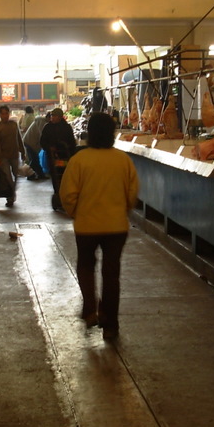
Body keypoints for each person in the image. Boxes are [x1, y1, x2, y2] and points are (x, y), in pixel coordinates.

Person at [59, 112, 139, 340]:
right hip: (116, 226)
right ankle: (111, 324)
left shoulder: (79, 160)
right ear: (112, 134)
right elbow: (132, 193)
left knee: (86, 266)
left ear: (90, 133)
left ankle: (90, 309)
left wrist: (76, 212)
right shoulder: (123, 160)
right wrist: (122, 210)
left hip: (86, 226)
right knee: (111, 274)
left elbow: (67, 194)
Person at [40, 108, 78, 207]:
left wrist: (71, 153)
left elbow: (71, 142)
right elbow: (42, 141)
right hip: (53, 157)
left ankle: (65, 194)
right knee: (55, 175)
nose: (52, 118)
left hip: (65, 156)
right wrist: (49, 148)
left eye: (54, 116)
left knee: (65, 175)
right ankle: (58, 193)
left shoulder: (66, 127)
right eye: (52, 116)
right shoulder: (47, 127)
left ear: (60, 117)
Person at [0, 104, 25, 207]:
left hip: (15, 155)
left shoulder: (14, 125)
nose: (5, 116)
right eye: (3, 114)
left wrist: (23, 152)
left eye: (6, 113)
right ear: (0, 115)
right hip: (3, 157)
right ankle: (10, 196)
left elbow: (19, 139)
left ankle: (11, 194)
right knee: (8, 177)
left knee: (16, 175)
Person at [22, 112, 49, 180]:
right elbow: (42, 134)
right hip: (30, 142)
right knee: (34, 160)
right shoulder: (42, 122)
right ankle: (29, 174)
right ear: (49, 117)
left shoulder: (42, 121)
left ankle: (40, 175)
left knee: (35, 159)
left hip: (30, 141)